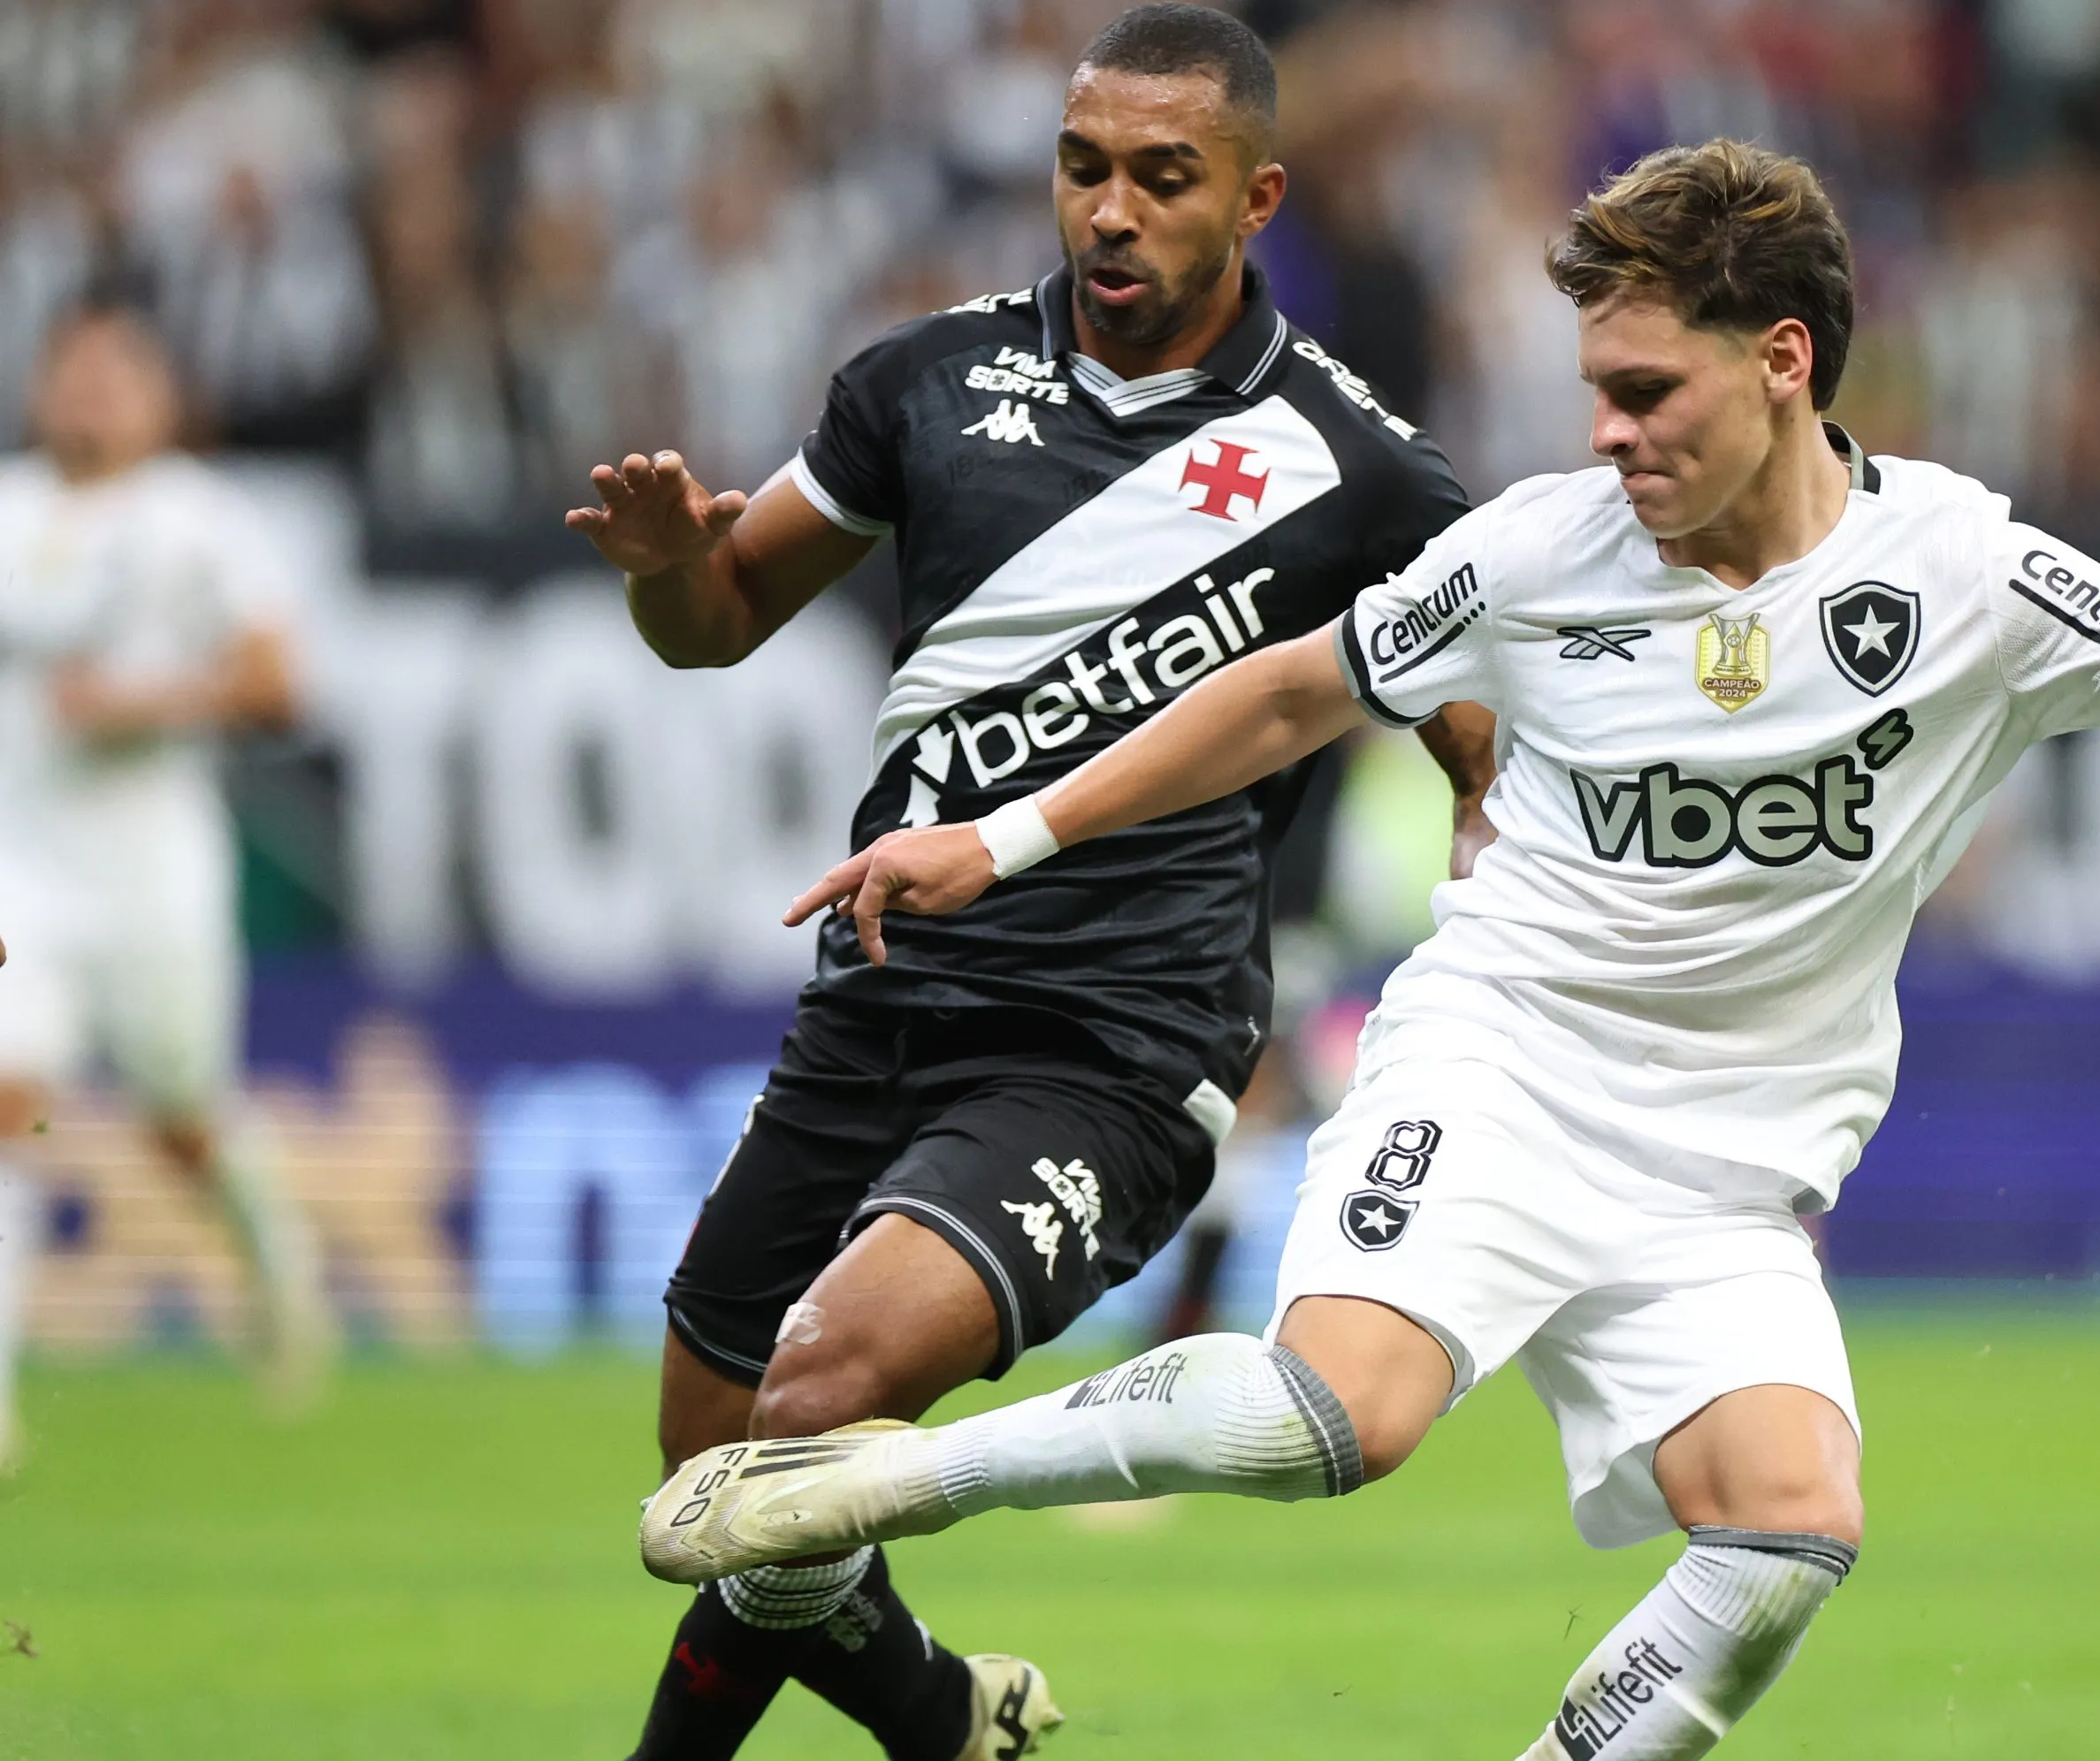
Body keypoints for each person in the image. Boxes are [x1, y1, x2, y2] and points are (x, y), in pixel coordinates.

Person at [642, 139, 2100, 1759]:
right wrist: (1002, 835)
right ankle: (884, 1486)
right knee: (1346, 1419)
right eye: (1593, 394)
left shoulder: (1967, 574)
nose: (1607, 435)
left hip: (1730, 1160)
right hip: (1508, 1063)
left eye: (1645, 393)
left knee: (1786, 1531)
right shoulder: (1545, 553)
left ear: (1782, 362)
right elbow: (1290, 691)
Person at [564, 8, 1491, 1758]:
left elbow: (1476, 714)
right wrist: (670, 571)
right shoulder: (919, 382)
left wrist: (1483, 814)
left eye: (1163, 177)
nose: (1111, 213)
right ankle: (939, 1719)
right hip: (883, 972)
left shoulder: (1359, 465)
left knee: (824, 1392)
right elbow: (714, 627)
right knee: (715, 1457)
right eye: (1084, 171)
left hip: (1118, 1037)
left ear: (1257, 197)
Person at [0, 303, 333, 1466]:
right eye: (71, 371)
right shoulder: (8, 509)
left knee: (179, 1116)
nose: (90, 392)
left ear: (159, 395)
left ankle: (276, 1269)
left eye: (114, 373)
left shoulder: (202, 519)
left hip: (152, 870)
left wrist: (140, 706)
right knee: (8, 1096)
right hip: (20, 868)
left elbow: (280, 684)